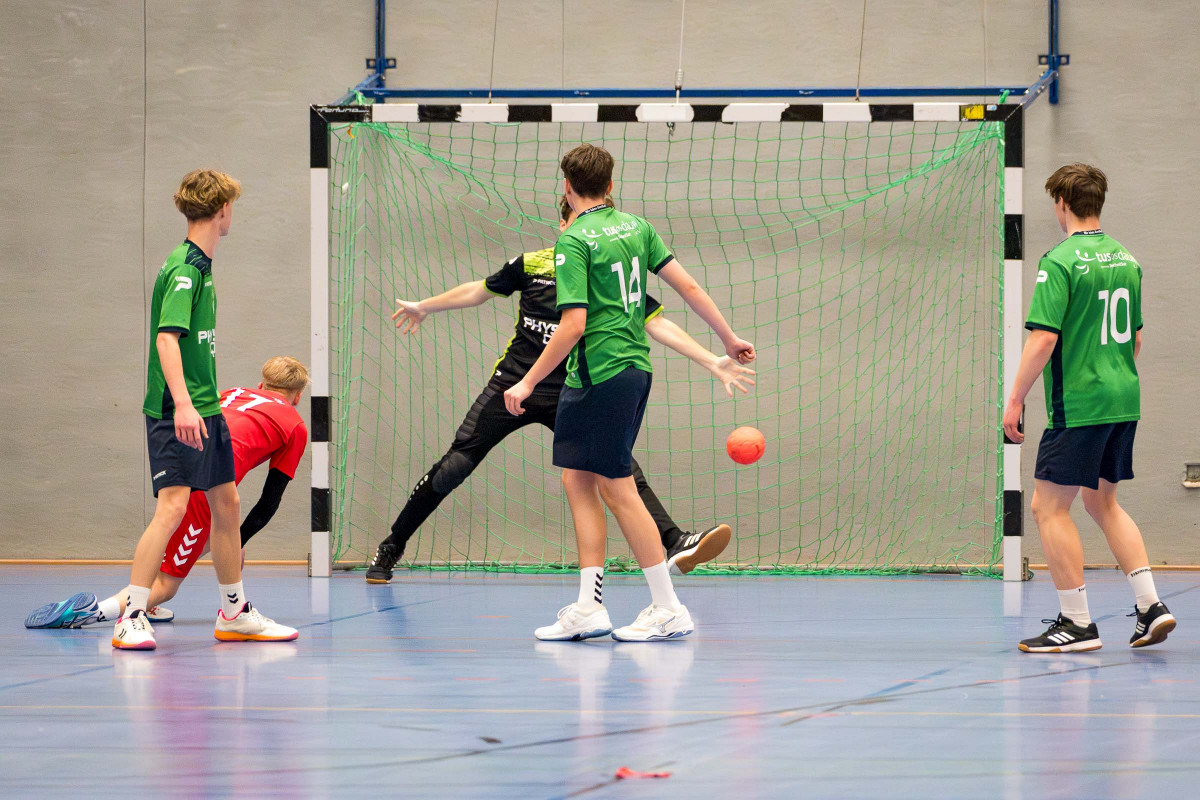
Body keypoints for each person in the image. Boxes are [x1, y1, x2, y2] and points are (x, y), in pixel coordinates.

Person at [365, 196, 755, 584]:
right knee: (454, 467)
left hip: (570, 389)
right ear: (564, 224)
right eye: (576, 220)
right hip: (513, 384)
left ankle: (674, 541)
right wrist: (425, 306)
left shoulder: (605, 271)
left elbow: (656, 323)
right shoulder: (532, 264)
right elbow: (479, 290)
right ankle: (392, 545)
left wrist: (712, 360)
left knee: (617, 467)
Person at [504, 143, 755, 642]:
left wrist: (528, 380)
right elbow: (688, 288)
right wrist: (726, 340)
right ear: (611, 185)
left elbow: (573, 324)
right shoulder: (637, 227)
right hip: (629, 370)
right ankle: (589, 606)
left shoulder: (573, 241)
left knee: (617, 489)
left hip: (600, 372)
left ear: (567, 188)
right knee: (577, 479)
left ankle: (668, 607)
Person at [112, 170, 296, 650]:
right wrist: (182, 405)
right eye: (233, 206)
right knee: (172, 507)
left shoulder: (202, 266)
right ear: (222, 210)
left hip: (206, 408)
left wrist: (200, 405)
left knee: (227, 504)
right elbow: (166, 340)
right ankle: (131, 616)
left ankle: (234, 613)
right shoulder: (185, 269)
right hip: (178, 410)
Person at [1005, 163, 1175, 653]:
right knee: (1102, 502)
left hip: (1080, 404)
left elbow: (1043, 339)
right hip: (1123, 398)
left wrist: (1015, 399)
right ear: (1098, 202)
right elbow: (1135, 339)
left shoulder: (1059, 261)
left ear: (1062, 203)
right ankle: (1150, 606)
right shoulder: (1127, 259)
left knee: (1048, 507)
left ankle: (1077, 623)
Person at [25, 358, 310, 629]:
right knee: (167, 585)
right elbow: (269, 501)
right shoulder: (295, 426)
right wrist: (239, 542)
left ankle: (145, 603)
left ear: (261, 384)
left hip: (177, 464)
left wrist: (234, 542)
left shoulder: (233, 393)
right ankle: (95, 611)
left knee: (192, 539)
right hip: (208, 485)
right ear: (297, 397)